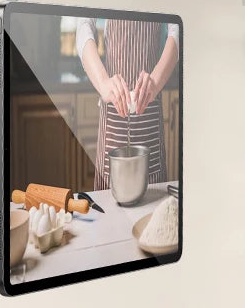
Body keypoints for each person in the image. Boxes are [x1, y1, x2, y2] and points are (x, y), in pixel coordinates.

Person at [76, 17, 180, 191]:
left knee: (152, 214)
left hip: (150, 122)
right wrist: (103, 82)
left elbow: (177, 29)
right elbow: (84, 25)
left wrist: (154, 81)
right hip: (113, 126)